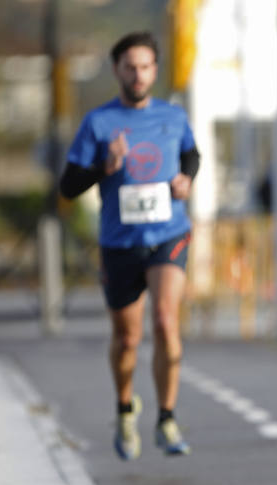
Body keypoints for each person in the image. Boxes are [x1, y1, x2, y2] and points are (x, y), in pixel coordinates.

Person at [59, 31, 199, 460]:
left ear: (154, 70)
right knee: (126, 337)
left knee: (164, 320)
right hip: (119, 243)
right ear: (117, 70)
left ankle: (167, 418)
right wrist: (106, 165)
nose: (138, 75)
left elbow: (192, 155)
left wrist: (186, 179)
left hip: (167, 235)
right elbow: (68, 186)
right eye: (130, 67)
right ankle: (125, 408)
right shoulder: (98, 123)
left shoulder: (172, 117)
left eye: (145, 67)